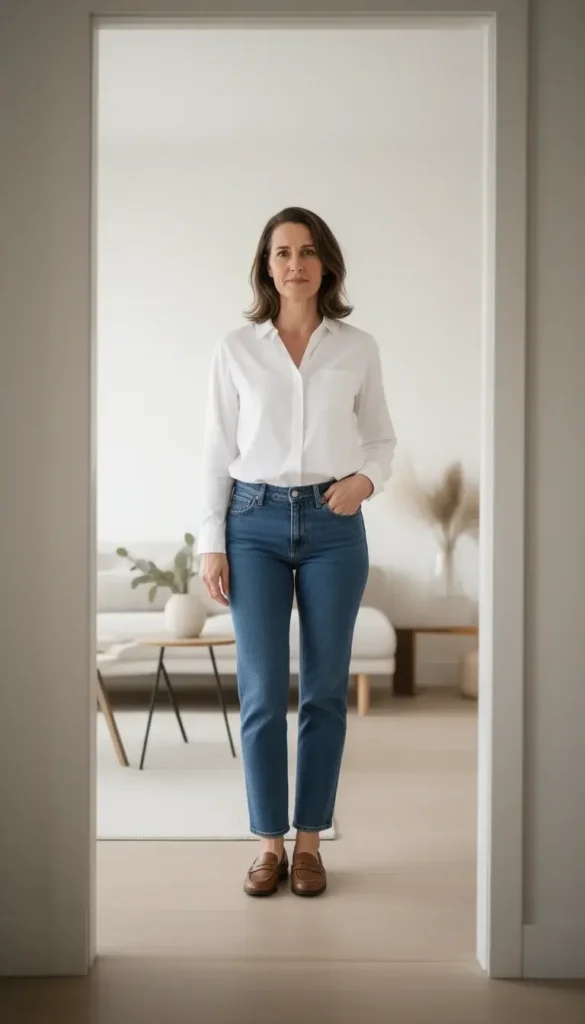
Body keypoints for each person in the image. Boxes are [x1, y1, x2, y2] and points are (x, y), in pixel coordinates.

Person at [198, 207, 396, 897]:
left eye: (307, 251)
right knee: (258, 693)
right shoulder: (236, 348)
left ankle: (309, 844)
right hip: (250, 522)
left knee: (322, 691)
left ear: (325, 263)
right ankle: (266, 846)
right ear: (265, 266)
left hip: (333, 528)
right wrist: (211, 542)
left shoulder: (356, 346)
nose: (294, 264)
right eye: (281, 252)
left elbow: (381, 439)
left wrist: (364, 481)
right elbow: (216, 451)